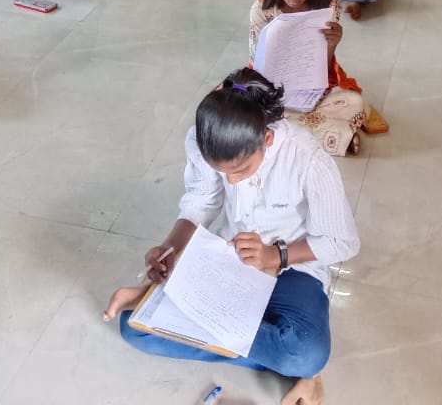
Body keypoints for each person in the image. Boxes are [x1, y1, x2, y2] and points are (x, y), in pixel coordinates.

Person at [103, 70, 359, 405]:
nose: (232, 182)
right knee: (134, 328)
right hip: (230, 260)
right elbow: (202, 201)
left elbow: (342, 242)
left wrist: (275, 255)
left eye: (240, 170)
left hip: (294, 268)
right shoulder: (204, 139)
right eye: (223, 172)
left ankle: (287, 360)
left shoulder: (306, 158)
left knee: (308, 355)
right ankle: (270, 351)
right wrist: (170, 249)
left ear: (267, 139)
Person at [250, 0, 387, 155]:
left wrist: (332, 43)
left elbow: (322, 66)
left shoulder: (327, 6)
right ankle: (334, 133)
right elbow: (257, 67)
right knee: (244, 107)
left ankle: (280, 135)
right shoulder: (261, 10)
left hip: (311, 86)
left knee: (355, 102)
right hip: (270, 89)